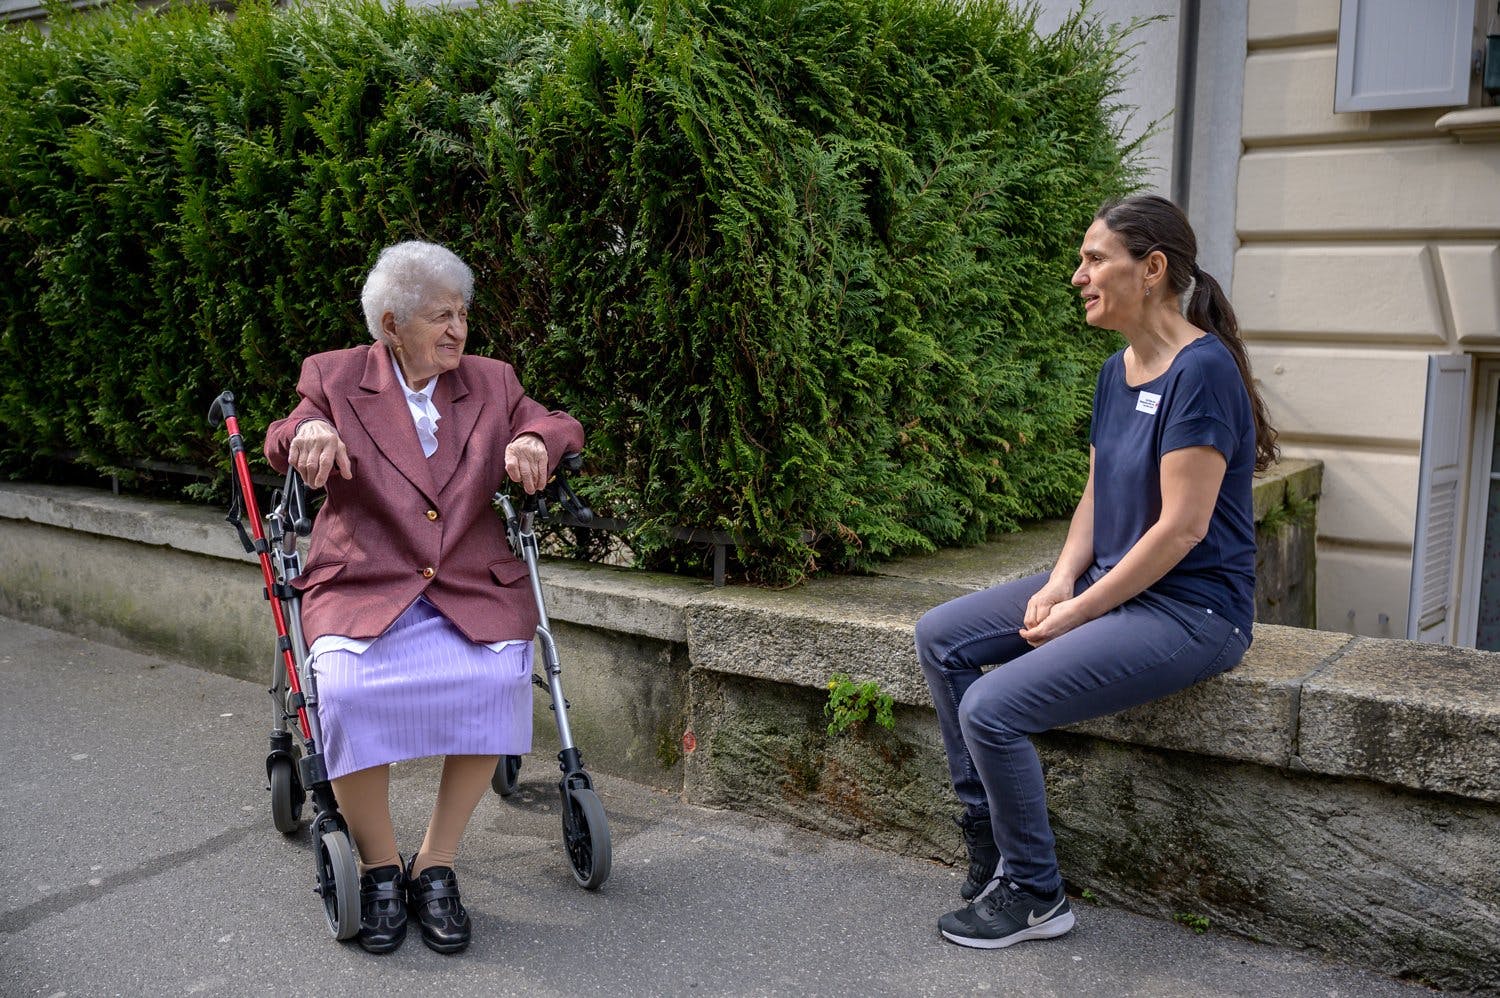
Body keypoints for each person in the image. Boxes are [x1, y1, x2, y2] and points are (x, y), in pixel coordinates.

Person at [915, 194, 1278, 949]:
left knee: (990, 707)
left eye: (1093, 258)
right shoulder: (1119, 371)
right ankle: (988, 837)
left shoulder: (1201, 373)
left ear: (1150, 270)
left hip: (1190, 611)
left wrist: (1080, 611)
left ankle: (1036, 891)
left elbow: (1182, 530)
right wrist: (1058, 582)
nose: (1077, 274)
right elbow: (1097, 493)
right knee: (941, 636)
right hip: (1114, 586)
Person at [265, 241, 583, 955]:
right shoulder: (336, 376)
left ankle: (434, 864)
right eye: (440, 316)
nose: (457, 330)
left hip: (468, 584)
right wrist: (309, 430)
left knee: (498, 675)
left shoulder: (492, 382)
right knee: (344, 691)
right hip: (364, 583)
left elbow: (559, 422)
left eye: (463, 314)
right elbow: (283, 437)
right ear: (390, 325)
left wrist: (533, 437)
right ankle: (380, 866)